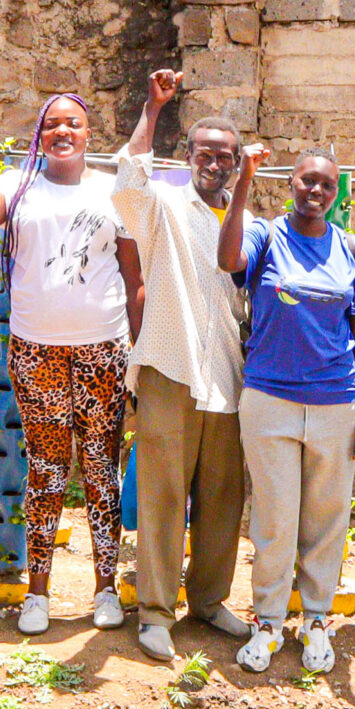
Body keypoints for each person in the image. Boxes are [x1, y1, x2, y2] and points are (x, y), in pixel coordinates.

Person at [0, 92, 143, 638]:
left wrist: (141, 351)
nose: (63, 132)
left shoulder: (111, 189)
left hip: (104, 347)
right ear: (40, 133)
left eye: (74, 124)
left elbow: (134, 278)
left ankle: (105, 588)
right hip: (37, 351)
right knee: (48, 471)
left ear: (88, 132)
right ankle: (39, 592)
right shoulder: (18, 184)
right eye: (53, 124)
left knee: (103, 471)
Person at [218, 145, 355, 675]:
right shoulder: (266, 236)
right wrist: (245, 179)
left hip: (336, 401)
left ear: (337, 193)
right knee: (275, 516)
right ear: (292, 182)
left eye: (327, 186)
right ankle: (267, 621)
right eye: (308, 181)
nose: (316, 192)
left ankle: (315, 620)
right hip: (269, 398)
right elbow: (227, 259)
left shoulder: (350, 249)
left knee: (327, 518)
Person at [113, 69, 255, 661]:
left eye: (226, 157)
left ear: (239, 163)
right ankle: (153, 611)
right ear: (189, 155)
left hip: (229, 374)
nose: (214, 165)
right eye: (205, 153)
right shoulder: (164, 204)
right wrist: (153, 107)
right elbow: (127, 179)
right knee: (165, 492)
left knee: (223, 494)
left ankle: (208, 600)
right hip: (169, 368)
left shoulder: (249, 221)